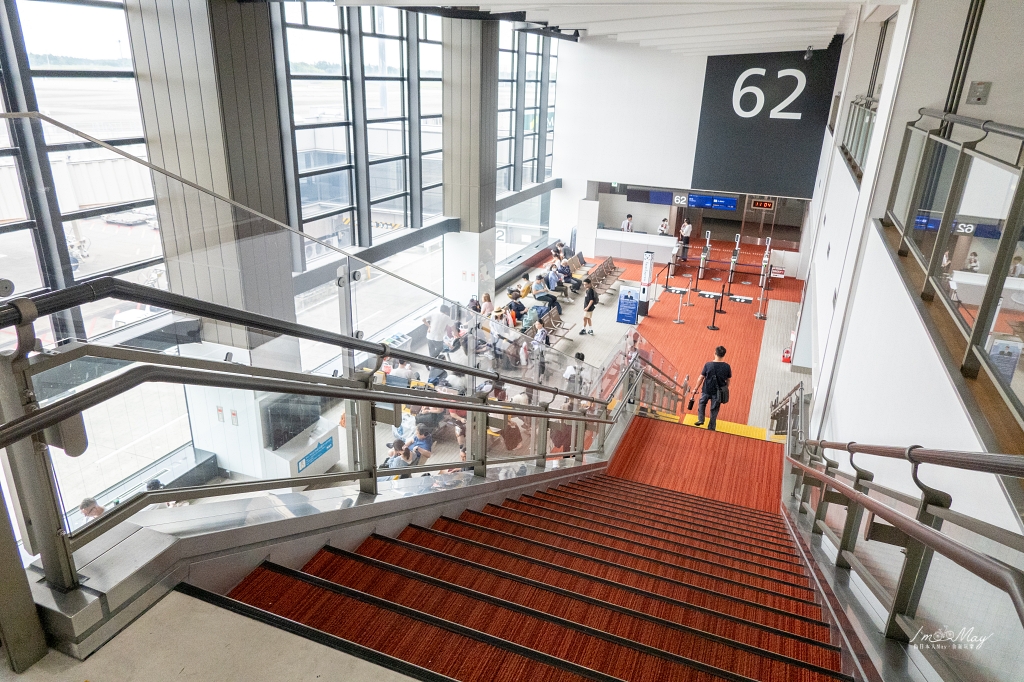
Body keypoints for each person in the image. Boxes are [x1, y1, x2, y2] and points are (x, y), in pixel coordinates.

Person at [694, 346, 732, 431]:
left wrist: (695, 388)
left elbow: (701, 377)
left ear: (715, 353)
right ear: (724, 355)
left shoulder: (708, 365)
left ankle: (701, 419)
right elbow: (728, 380)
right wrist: (724, 389)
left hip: (706, 389)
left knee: (702, 403)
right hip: (718, 393)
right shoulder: (727, 367)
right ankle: (711, 427)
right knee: (714, 409)